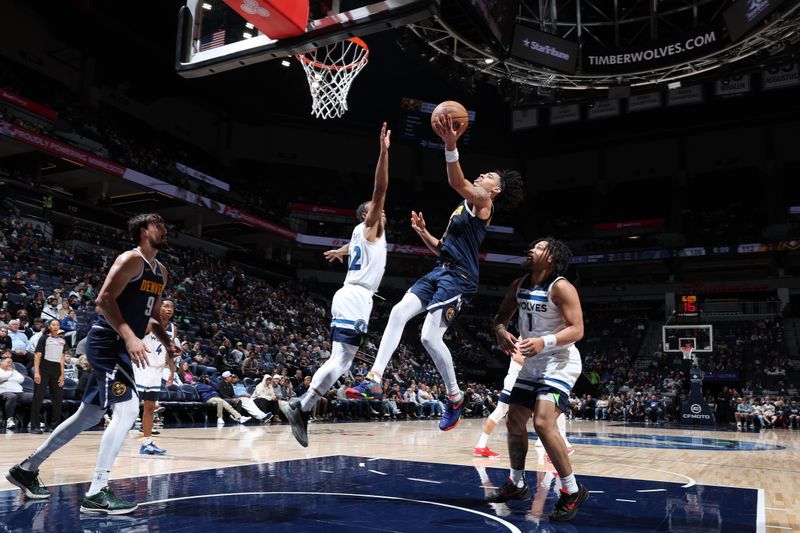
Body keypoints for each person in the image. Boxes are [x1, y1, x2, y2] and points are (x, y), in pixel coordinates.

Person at [346, 113, 524, 433]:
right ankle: (374, 379)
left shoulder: (483, 201)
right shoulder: (462, 208)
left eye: (488, 176)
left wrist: (451, 145)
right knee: (399, 312)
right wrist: (424, 234)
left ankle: (455, 397)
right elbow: (443, 248)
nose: (482, 175)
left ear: (495, 190)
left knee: (429, 335)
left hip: (460, 278)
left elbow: (456, 181)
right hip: (442, 269)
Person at [6, 213, 174, 515]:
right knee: (127, 409)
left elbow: (153, 316)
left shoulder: (161, 271)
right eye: (157, 225)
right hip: (107, 341)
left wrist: (168, 348)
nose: (164, 229)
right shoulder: (130, 260)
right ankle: (97, 491)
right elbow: (103, 300)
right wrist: (129, 336)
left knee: (88, 415)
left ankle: (26, 469)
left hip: (124, 345)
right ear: (142, 231)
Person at [282, 123, 391, 447]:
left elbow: (352, 246)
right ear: (366, 215)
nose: (380, 210)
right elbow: (380, 189)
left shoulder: (362, 235)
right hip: (356, 296)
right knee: (340, 360)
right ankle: (301, 406)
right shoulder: (370, 226)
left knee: (341, 360)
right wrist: (384, 153)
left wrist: (339, 251)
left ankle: (304, 406)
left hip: (352, 295)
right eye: (373, 209)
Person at [485, 238, 588, 522]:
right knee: (514, 421)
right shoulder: (519, 284)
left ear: (552, 258)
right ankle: (517, 484)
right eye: (531, 246)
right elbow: (501, 317)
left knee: (543, 422)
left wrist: (545, 341)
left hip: (559, 361)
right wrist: (501, 330)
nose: (531, 249)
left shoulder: (562, 287)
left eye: (540, 248)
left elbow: (577, 329)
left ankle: (571, 490)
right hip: (531, 361)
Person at [134, 298, 178, 456]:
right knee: (130, 406)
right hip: (141, 366)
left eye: (171, 307)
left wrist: (172, 372)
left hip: (158, 369)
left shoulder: (173, 328)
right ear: (158, 308)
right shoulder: (149, 322)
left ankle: (146, 443)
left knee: (150, 407)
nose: (169, 309)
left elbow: (170, 350)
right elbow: (135, 338)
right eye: (166, 306)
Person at [30, 319, 66, 433]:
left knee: (58, 398)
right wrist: (36, 372)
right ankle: (34, 426)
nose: (55, 326)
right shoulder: (44, 338)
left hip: (56, 370)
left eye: (57, 325)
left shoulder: (62, 341)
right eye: (53, 325)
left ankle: (54, 426)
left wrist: (62, 375)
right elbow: (37, 356)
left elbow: (62, 358)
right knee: (38, 397)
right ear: (49, 326)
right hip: (43, 369)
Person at [0, 355, 29, 429]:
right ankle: (9, 419)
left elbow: (21, 379)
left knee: (34, 397)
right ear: (1, 363)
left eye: (11, 363)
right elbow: (2, 377)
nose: (10, 364)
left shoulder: (14, 371)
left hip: (19, 392)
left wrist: (9, 377)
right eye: (8, 362)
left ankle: (30, 421)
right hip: (4, 392)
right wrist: (10, 373)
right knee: (12, 396)